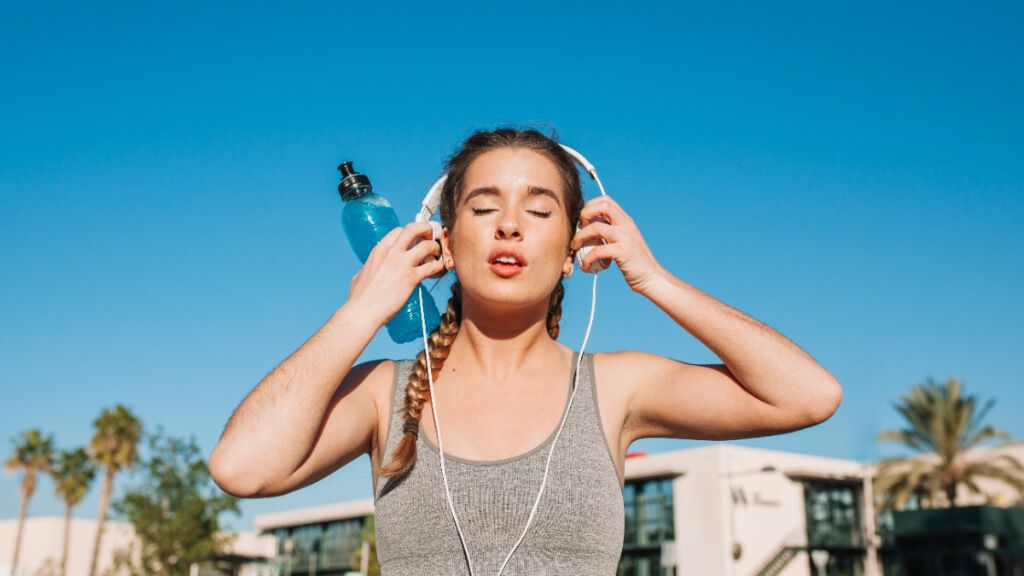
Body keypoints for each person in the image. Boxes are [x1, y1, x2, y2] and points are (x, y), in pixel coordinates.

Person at [209, 127, 843, 575]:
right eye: (483, 207)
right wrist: (361, 311)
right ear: (446, 244)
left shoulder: (616, 387)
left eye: (539, 211)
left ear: (574, 250)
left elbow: (809, 395)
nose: (508, 224)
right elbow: (242, 469)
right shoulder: (388, 392)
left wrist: (654, 278)